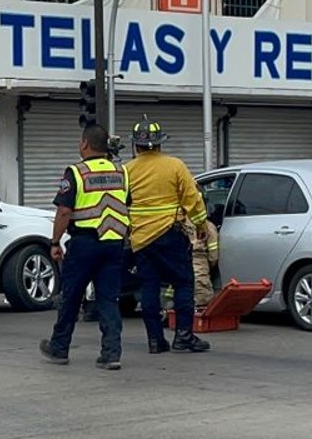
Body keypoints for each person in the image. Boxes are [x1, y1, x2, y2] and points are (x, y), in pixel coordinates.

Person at [41, 125, 128, 371]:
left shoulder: (76, 172)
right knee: (109, 299)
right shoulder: (122, 171)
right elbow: (126, 203)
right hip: (113, 243)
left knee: (71, 297)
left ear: (85, 144)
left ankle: (59, 348)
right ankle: (111, 354)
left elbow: (64, 211)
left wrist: (55, 242)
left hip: (84, 244)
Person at [125, 116, 212, 355]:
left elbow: (122, 203)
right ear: (160, 143)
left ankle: (155, 340)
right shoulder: (175, 166)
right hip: (170, 235)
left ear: (136, 145)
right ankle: (183, 337)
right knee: (183, 282)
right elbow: (192, 198)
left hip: (141, 239)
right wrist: (201, 225)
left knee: (149, 287)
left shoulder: (127, 171)